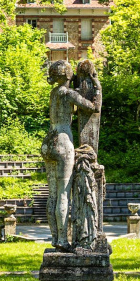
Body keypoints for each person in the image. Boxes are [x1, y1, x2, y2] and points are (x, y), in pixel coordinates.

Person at [41, 60, 97, 251]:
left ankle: (55, 238)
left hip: (48, 140)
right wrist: (95, 86)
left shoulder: (54, 92)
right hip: (63, 141)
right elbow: (91, 107)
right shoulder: (68, 93)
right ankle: (63, 240)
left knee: (53, 195)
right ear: (67, 75)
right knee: (63, 194)